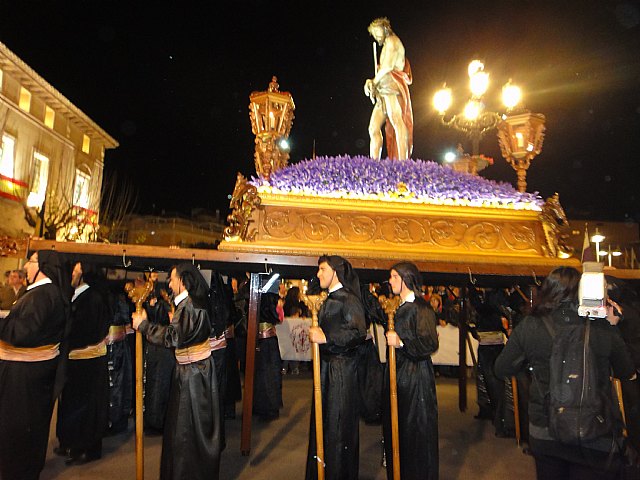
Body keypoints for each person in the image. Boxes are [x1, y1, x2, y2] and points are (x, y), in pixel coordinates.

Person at [495, 267, 636, 480]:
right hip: (594, 430)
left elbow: (502, 368)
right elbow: (626, 371)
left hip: (545, 429)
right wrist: (614, 325)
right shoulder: (601, 325)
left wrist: (534, 364)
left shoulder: (531, 325)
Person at [132, 263, 220, 480]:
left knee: (184, 432)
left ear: (183, 280)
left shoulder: (190, 306)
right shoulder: (192, 303)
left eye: (172, 279)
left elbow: (173, 337)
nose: (169, 284)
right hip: (195, 372)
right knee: (191, 430)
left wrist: (144, 326)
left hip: (191, 375)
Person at [0, 250, 72, 480]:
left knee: (19, 429)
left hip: (24, 378)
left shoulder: (42, 295)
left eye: (30, 262)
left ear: (42, 267)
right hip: (32, 375)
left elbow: (22, 333)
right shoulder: (47, 293)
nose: (25, 268)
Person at [305, 255, 367, 480]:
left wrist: (327, 337)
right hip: (326, 371)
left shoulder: (348, 300)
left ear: (336, 272)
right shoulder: (327, 299)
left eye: (322, 269)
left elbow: (358, 332)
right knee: (324, 425)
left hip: (341, 373)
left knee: (337, 428)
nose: (318, 274)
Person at [384, 262, 439, 480]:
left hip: (416, 379)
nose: (390, 281)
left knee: (416, 431)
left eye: (394, 277)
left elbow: (429, 343)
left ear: (406, 279)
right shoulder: (398, 307)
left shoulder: (421, 308)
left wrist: (402, 343)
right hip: (399, 376)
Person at [55, 260, 111, 464]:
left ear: (85, 274)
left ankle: (86, 447)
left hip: (88, 362)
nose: (72, 274)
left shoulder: (93, 298)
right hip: (75, 360)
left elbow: (88, 330)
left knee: (86, 408)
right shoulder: (77, 295)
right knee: (71, 404)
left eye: (76, 270)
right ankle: (71, 442)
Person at [364, 17, 413, 160]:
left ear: (385, 28)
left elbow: (388, 66)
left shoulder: (392, 41)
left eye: (377, 31)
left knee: (397, 120)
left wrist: (374, 80)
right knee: (373, 128)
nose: (376, 36)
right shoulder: (386, 44)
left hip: (392, 87)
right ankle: (374, 163)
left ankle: (403, 161)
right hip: (383, 91)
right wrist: (372, 84)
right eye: (373, 34)